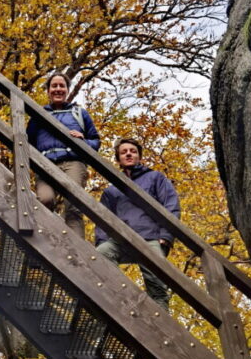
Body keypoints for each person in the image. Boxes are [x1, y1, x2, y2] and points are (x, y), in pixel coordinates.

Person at [95, 137, 180, 310]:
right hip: (121, 239)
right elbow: (103, 218)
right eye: (124, 152)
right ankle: (123, 301)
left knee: (157, 285)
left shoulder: (155, 178)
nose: (128, 154)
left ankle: (162, 329)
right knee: (99, 254)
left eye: (133, 151)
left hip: (151, 238)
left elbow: (171, 205)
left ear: (139, 156)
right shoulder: (111, 190)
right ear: (118, 159)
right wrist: (102, 241)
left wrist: (165, 236)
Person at [26, 72, 100, 237]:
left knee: (73, 206)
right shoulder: (38, 114)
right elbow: (28, 142)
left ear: (67, 90)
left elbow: (96, 142)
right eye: (54, 86)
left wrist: (83, 141)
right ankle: (45, 245)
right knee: (45, 200)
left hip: (73, 162)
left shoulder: (80, 113)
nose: (58, 89)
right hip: (46, 164)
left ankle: (77, 255)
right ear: (48, 91)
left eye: (62, 86)